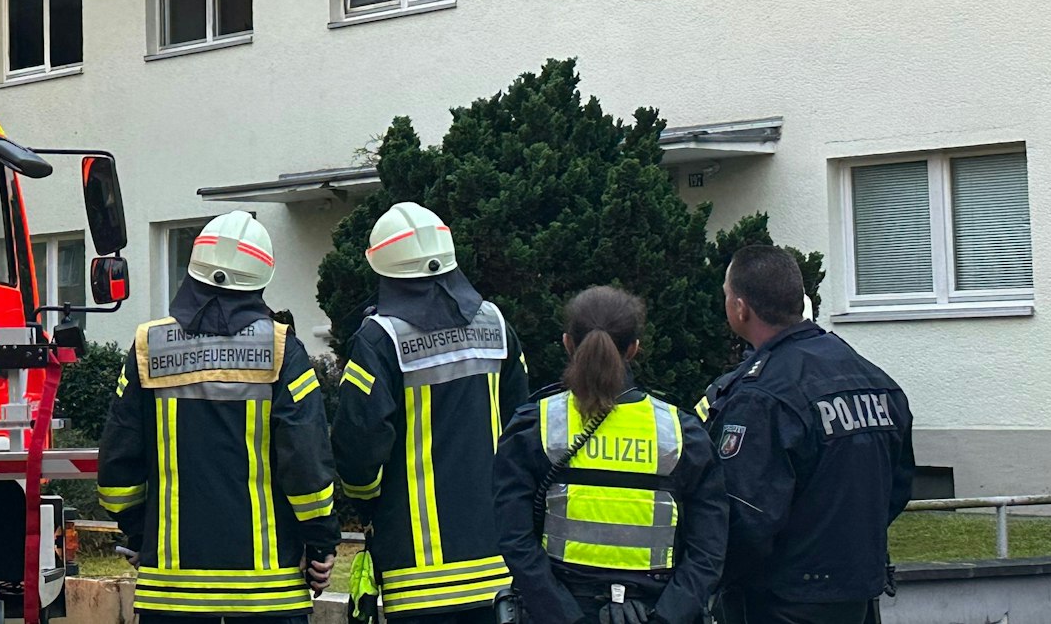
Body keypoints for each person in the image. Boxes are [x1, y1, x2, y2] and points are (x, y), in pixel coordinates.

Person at [97, 211, 340, 622]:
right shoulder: (282, 350)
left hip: (172, 593)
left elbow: (117, 470)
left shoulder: (149, 347)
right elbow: (306, 462)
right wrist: (319, 544)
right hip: (269, 593)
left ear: (193, 272)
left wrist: (140, 534)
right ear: (261, 277)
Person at [332, 202, 528, 623]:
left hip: (417, 570)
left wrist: (365, 502)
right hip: (500, 562)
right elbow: (522, 425)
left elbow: (359, 443)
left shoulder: (379, 338)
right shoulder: (495, 323)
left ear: (382, 268)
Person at [707, 245, 914, 624]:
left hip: (783, 602)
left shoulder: (762, 396)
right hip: (857, 597)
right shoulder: (873, 378)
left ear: (740, 307)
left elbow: (745, 518)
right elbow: (897, 487)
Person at [493, 287, 726, 624]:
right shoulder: (682, 433)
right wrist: (666, 617)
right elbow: (708, 551)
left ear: (567, 343)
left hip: (560, 610)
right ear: (633, 349)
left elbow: (515, 540)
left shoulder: (535, 426)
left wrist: (567, 617)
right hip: (656, 607)